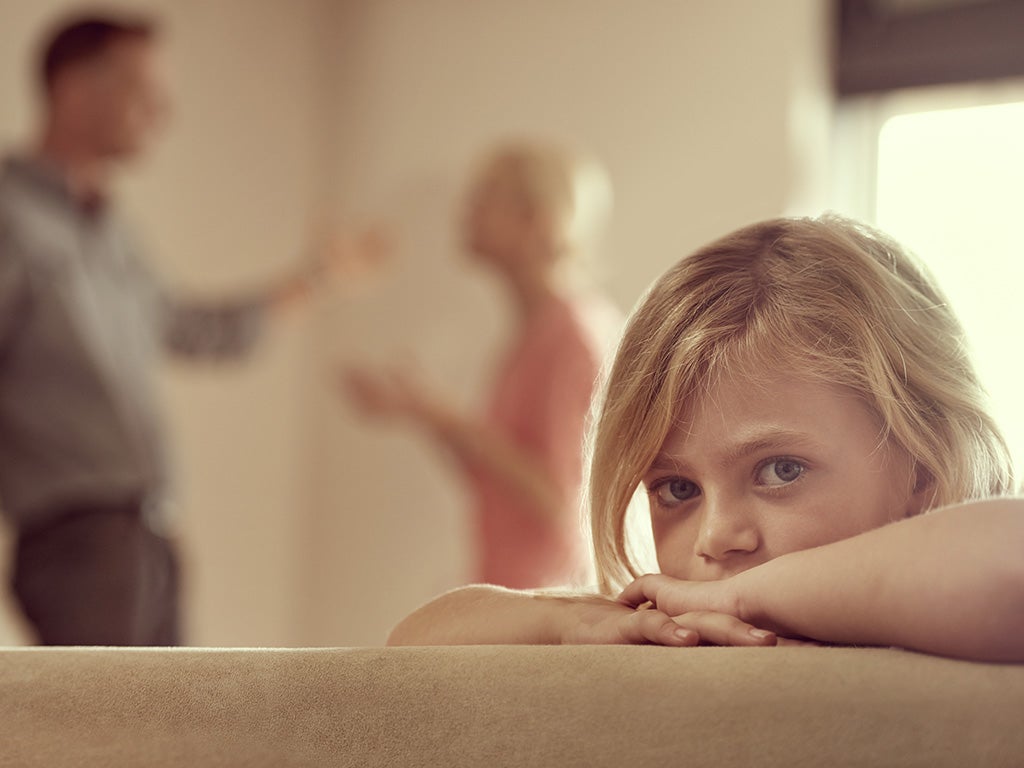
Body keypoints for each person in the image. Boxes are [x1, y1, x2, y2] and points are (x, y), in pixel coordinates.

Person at [387, 214, 1024, 663]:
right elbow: (413, 643)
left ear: (922, 477)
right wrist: (568, 620)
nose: (716, 537)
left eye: (780, 471)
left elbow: (1007, 557)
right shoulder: (676, 631)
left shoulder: (955, 618)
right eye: (678, 488)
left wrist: (744, 594)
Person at [0, 13, 344, 645]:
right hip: (76, 537)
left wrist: (314, 280)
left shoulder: (112, 232)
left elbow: (188, 328)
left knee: (166, 738)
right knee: (103, 738)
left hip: (149, 534)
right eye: (142, 90)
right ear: (74, 90)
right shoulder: (9, 214)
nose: (161, 112)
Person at [345, 142, 618, 589]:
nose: (465, 211)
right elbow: (497, 478)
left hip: (547, 601)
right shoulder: (533, 332)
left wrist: (443, 415)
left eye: (486, 196)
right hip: (514, 589)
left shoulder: (573, 335)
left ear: (537, 219)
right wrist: (424, 412)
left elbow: (559, 498)